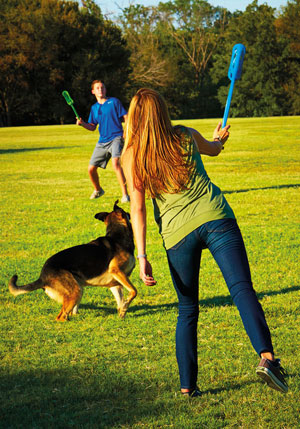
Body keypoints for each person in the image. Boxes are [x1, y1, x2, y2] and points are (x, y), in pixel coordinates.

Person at [121, 88, 288, 397]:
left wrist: (141, 254)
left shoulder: (130, 154)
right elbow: (213, 149)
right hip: (216, 217)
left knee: (187, 309)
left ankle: (187, 388)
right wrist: (219, 139)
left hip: (176, 235)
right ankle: (267, 357)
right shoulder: (184, 134)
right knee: (241, 289)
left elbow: (138, 207)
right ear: (162, 112)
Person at [77, 80, 130, 202]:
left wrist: (126, 132)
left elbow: (126, 117)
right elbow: (92, 127)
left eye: (102, 87)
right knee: (91, 169)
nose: (100, 89)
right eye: (97, 88)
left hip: (116, 137)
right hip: (102, 142)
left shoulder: (114, 102)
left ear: (105, 90)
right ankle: (98, 190)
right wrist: (82, 124)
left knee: (116, 163)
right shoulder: (94, 108)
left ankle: (125, 195)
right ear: (93, 91)